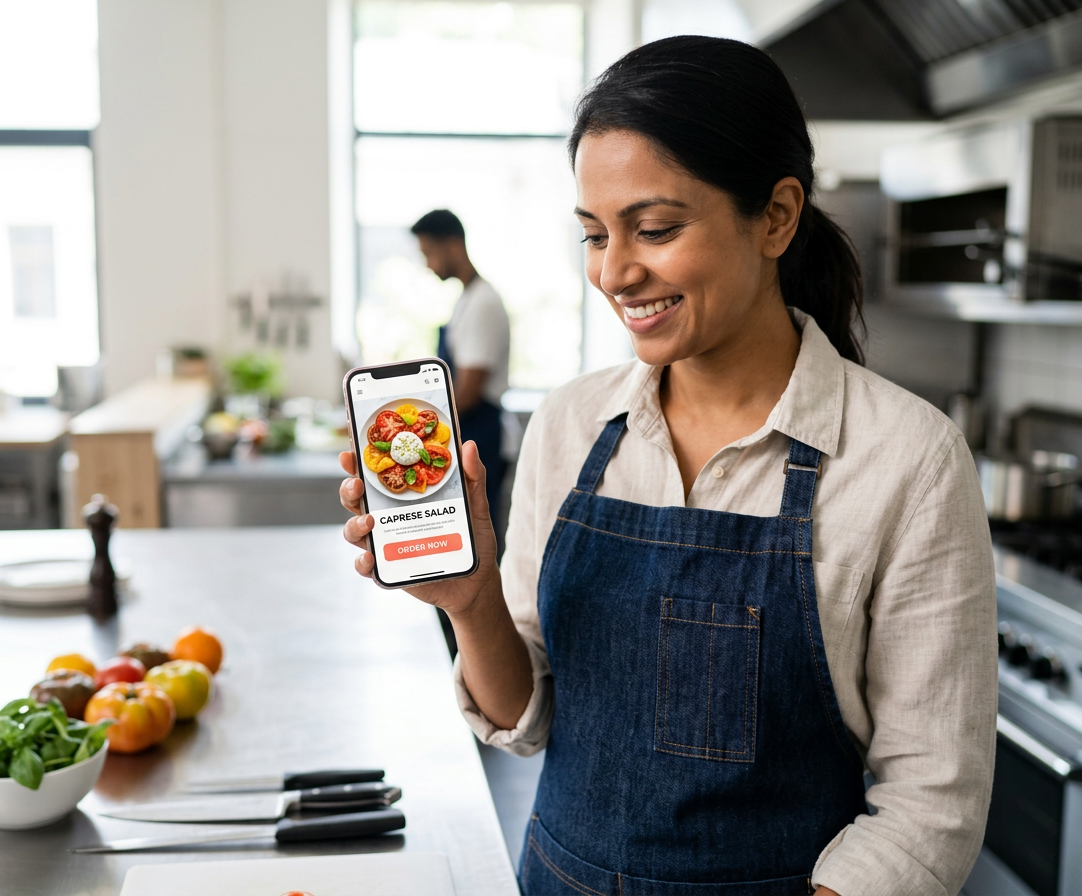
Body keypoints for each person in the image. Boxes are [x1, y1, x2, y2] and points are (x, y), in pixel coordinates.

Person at [341, 37, 996, 896]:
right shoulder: (572, 426)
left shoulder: (906, 460)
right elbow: (523, 717)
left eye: (654, 229)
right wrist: (470, 603)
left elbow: (931, 803)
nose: (615, 272)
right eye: (593, 235)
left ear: (776, 215)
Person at [411, 209, 511, 519]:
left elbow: (467, 393)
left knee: (478, 535)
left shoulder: (483, 303)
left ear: (453, 246)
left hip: (479, 435)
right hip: (469, 430)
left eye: (429, 253)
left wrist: (416, 427)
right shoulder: (468, 299)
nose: (428, 265)